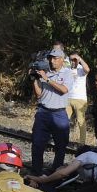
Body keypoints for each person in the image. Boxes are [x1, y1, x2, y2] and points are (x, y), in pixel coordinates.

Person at [30, 46, 75, 175]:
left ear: (62, 59)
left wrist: (47, 79)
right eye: (50, 58)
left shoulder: (67, 73)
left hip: (59, 113)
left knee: (61, 146)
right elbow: (39, 94)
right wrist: (34, 79)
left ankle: (56, 172)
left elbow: (63, 90)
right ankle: (36, 172)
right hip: (43, 111)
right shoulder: (45, 71)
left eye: (55, 58)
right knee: (37, 143)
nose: (52, 61)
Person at [64, 51, 92, 144]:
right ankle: (63, 140)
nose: (73, 61)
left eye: (74, 59)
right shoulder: (67, 68)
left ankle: (82, 143)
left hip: (80, 99)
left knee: (81, 121)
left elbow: (88, 70)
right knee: (64, 120)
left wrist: (79, 59)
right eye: (71, 59)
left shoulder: (81, 69)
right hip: (67, 98)